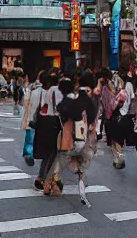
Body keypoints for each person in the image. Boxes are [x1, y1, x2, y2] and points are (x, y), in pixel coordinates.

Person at [46, 72, 99, 207]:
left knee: (61, 158)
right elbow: (93, 121)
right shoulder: (91, 103)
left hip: (72, 140)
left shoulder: (74, 102)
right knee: (77, 161)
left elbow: (62, 111)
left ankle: (53, 183)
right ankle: (79, 181)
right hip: (86, 141)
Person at [28, 71, 62, 188]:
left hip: (41, 122)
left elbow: (33, 107)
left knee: (47, 151)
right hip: (52, 123)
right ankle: (46, 178)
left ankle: (43, 176)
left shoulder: (36, 92)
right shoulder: (54, 92)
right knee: (53, 151)